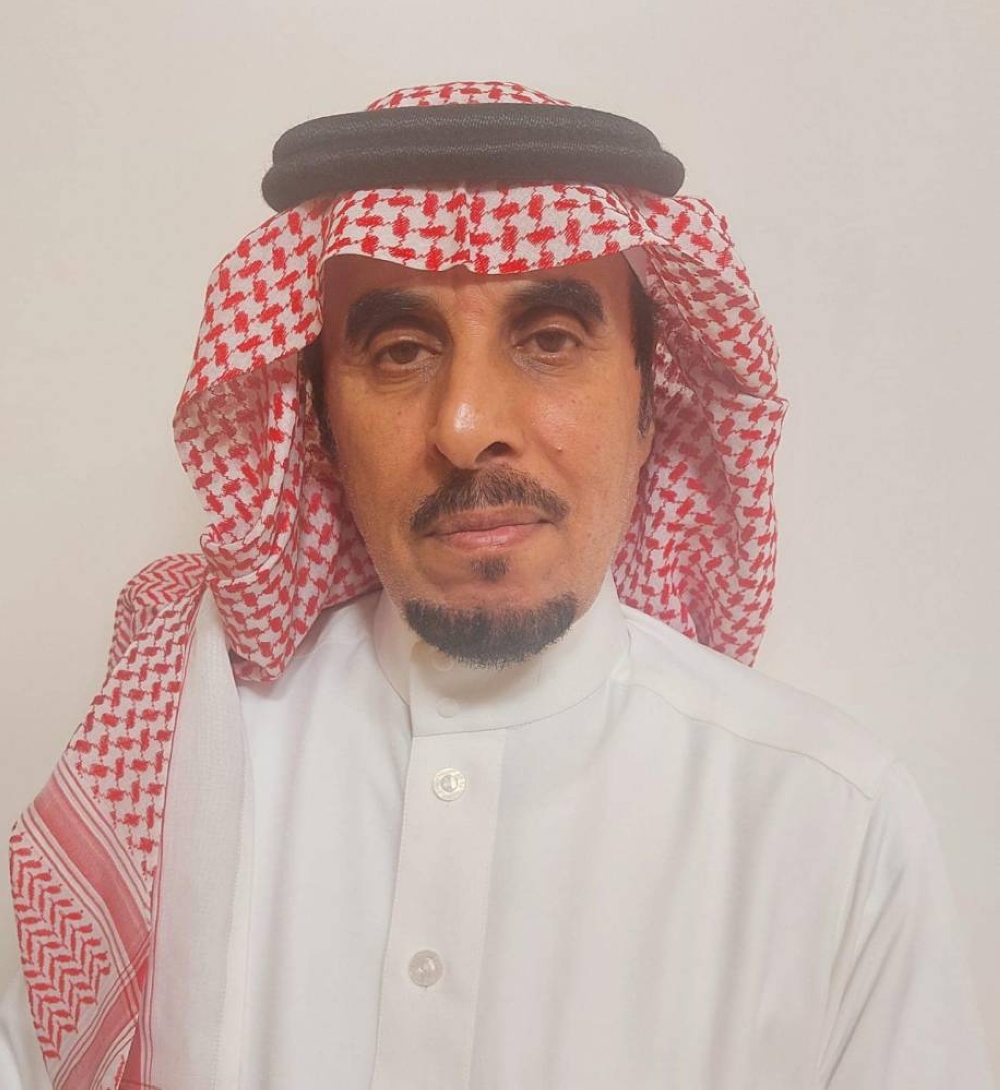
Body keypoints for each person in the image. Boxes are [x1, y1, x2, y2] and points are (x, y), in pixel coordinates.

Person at [0, 80, 994, 1090]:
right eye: (400, 351)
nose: (467, 426)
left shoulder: (830, 826)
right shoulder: (179, 769)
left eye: (549, 339)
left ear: (650, 404)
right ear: (320, 425)